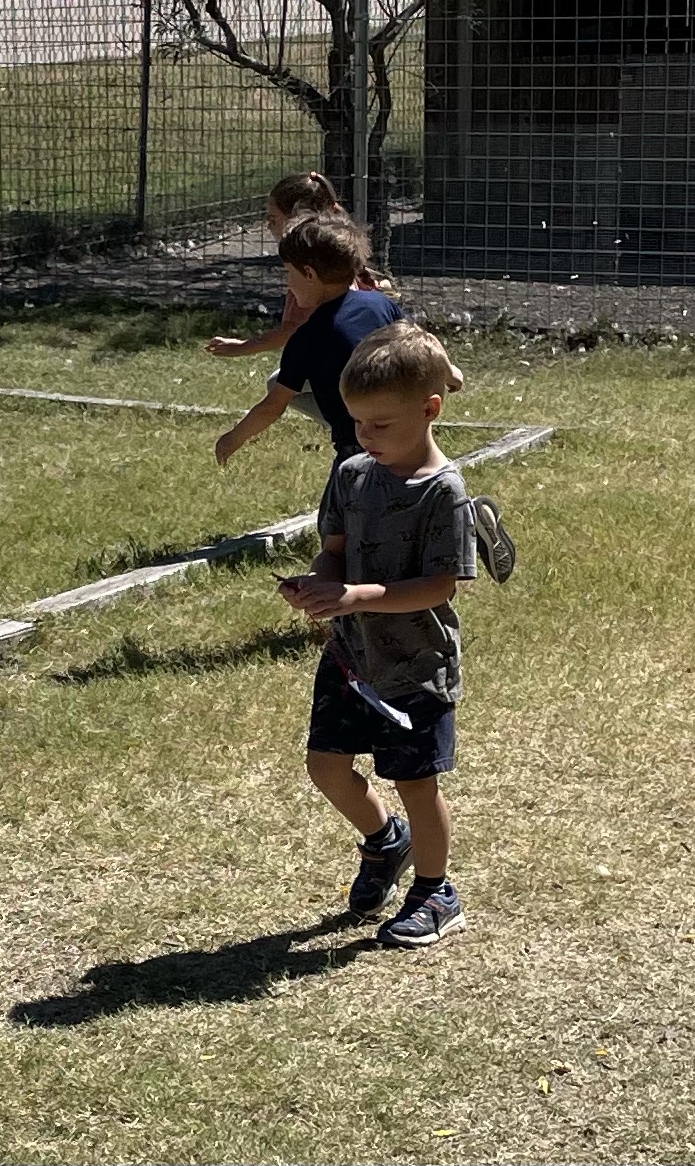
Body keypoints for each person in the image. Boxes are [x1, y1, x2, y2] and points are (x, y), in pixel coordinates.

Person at [280, 322, 476, 948]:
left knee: (415, 782)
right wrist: (318, 584)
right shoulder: (352, 473)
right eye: (357, 422)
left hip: (415, 663)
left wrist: (354, 596)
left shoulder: (443, 492)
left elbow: (440, 586)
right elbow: (333, 551)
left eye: (381, 424)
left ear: (430, 409)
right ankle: (385, 840)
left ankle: (435, 892)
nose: (366, 435)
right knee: (325, 767)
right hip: (350, 656)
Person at [215, 212, 400, 467]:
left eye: (289, 273)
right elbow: (420, 343)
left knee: (346, 496)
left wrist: (232, 439)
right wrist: (449, 373)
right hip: (404, 434)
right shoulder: (379, 303)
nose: (288, 284)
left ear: (309, 274)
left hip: (359, 451)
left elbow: (273, 405)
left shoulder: (309, 336)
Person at [203, 171, 379, 363]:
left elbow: (293, 330)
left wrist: (243, 347)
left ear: (296, 217)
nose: (269, 227)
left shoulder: (308, 277)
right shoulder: (334, 258)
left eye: (273, 219)